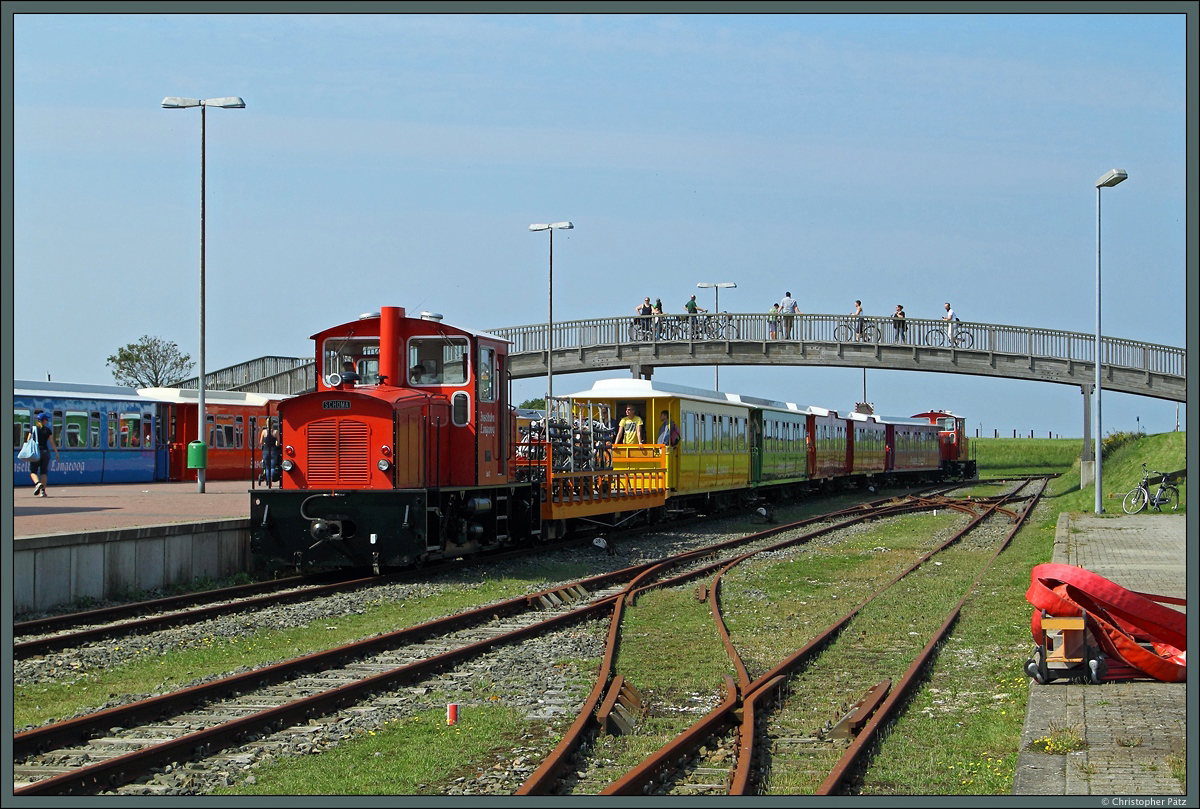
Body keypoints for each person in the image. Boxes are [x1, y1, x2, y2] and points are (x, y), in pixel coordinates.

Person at [25, 412, 59, 497]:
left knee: (33, 471)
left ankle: (37, 483)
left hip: (35, 453)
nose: (47, 421)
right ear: (43, 420)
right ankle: (43, 492)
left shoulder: (33, 429)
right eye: (46, 420)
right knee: (43, 472)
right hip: (45, 452)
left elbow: (28, 440)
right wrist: (56, 452)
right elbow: (51, 442)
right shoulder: (47, 430)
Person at [260, 419, 279, 488]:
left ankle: (268, 481)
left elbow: (260, 442)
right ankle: (271, 478)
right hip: (273, 451)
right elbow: (278, 442)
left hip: (266, 450)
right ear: (273, 424)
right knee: (272, 467)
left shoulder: (264, 432)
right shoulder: (275, 432)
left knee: (267, 468)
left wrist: (264, 444)